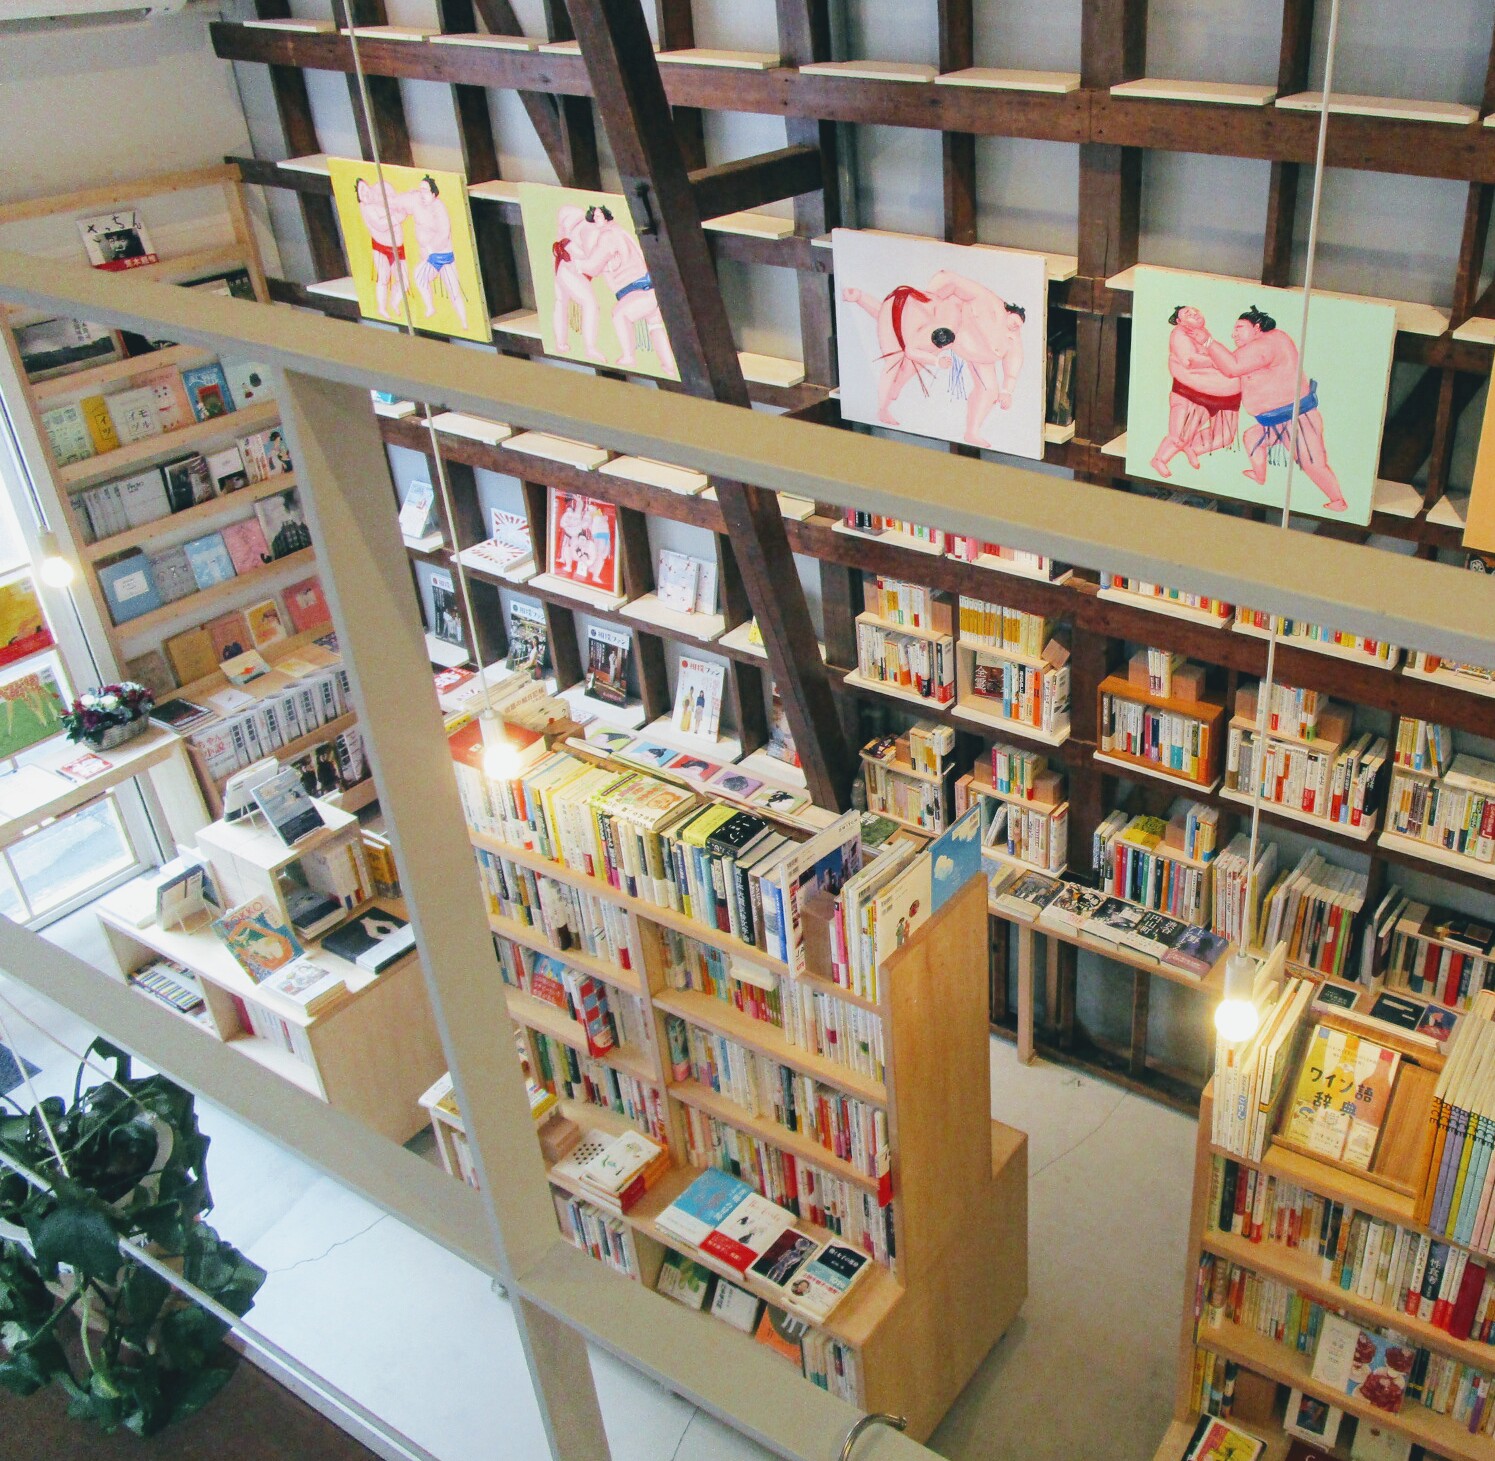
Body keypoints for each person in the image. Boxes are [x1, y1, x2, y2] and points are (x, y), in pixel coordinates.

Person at [841, 271, 1028, 447]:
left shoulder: (1013, 337)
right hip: (949, 326)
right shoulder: (985, 300)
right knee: (902, 359)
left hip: (979, 355)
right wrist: (931, 298)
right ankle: (887, 401)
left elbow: (1014, 364)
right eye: (1014, 321)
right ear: (1008, 312)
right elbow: (949, 279)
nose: (1014, 327)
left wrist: (1007, 391)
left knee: (990, 391)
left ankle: (972, 432)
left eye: (1017, 326)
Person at [1198, 305, 1348, 512]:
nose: (1233, 334)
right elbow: (1228, 365)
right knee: (1252, 438)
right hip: (1273, 420)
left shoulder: (1269, 342)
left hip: (1297, 418)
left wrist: (1208, 342)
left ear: (1257, 327)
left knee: (1311, 462)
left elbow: (1232, 368)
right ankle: (1259, 475)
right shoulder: (1254, 347)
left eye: (1239, 328)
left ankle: (1338, 500)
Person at [565, 206, 678, 374]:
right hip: (647, 287)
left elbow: (594, 266)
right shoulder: (618, 231)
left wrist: (575, 263)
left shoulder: (608, 236)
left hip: (637, 289)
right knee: (655, 325)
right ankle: (668, 366)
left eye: (598, 216)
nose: (595, 220)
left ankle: (629, 356)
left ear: (606, 217)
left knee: (620, 315)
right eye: (593, 218)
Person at [1149, 304, 1241, 477]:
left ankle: (1192, 448)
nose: (1194, 314)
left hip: (1223, 394)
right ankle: (1159, 459)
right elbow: (1189, 360)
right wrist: (1217, 361)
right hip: (1193, 392)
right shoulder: (1179, 334)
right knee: (1181, 435)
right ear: (1180, 321)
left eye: (1195, 311)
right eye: (1188, 313)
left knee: (1224, 436)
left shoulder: (1202, 333)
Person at [404, 175, 470, 331]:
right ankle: (430, 307)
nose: (422, 194)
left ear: (433, 193)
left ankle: (464, 322)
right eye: (420, 190)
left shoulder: (439, 208)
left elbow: (444, 232)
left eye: (425, 191)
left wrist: (430, 249)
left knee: (453, 292)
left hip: (442, 256)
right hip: (432, 256)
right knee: (420, 276)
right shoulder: (422, 205)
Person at [550, 205, 605, 361]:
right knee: (590, 304)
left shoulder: (571, 233)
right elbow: (586, 256)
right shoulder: (585, 229)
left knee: (561, 302)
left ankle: (561, 342)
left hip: (563, 269)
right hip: (570, 271)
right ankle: (590, 348)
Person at [353, 176, 409, 319]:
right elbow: (381, 225)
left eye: (365, 188)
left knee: (404, 281)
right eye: (361, 193)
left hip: (398, 247)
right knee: (383, 278)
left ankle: (394, 303)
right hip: (381, 247)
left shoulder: (382, 190)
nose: (364, 193)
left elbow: (398, 203)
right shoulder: (366, 208)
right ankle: (382, 308)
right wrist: (398, 216)